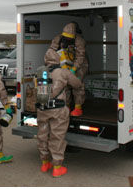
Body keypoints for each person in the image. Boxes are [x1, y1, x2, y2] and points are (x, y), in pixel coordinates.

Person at [36, 48, 84, 177]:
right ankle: (57, 167)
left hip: (42, 109)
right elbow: (77, 84)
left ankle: (45, 163)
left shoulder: (40, 73)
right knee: (57, 137)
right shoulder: (63, 72)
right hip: (58, 110)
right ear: (58, 59)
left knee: (42, 136)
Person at [50, 22, 87, 116]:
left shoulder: (79, 41)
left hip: (79, 65)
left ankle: (78, 108)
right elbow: (51, 52)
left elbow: (80, 57)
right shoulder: (57, 39)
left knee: (77, 84)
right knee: (64, 85)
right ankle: (66, 107)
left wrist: (74, 69)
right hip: (63, 65)